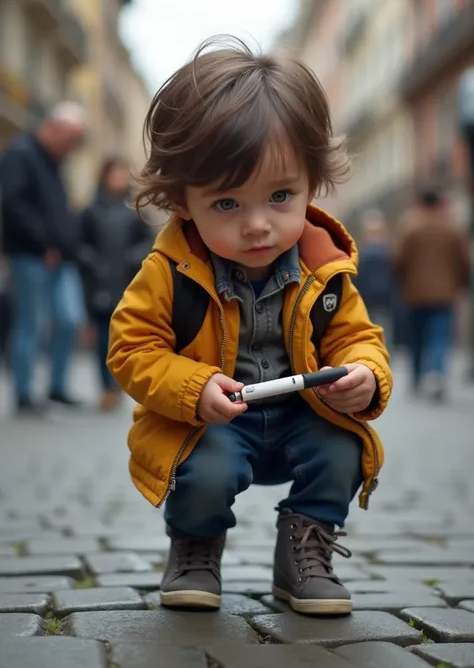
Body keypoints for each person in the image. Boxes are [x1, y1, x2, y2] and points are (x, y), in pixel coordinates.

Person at [107, 37, 392, 616]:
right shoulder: (170, 271)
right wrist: (192, 388)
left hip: (301, 416)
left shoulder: (324, 268)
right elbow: (132, 347)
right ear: (183, 202)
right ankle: (194, 544)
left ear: (312, 183)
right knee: (206, 471)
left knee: (343, 450)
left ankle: (305, 552)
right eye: (227, 205)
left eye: (280, 196)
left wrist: (365, 374)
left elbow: (358, 336)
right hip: (211, 422)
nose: (259, 225)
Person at [0, 102, 87, 414]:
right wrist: (42, 244)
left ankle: (56, 388)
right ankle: (23, 394)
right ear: (54, 128)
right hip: (31, 256)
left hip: (62, 257)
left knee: (68, 321)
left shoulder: (54, 161)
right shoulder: (21, 154)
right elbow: (12, 205)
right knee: (30, 323)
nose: (74, 146)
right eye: (72, 137)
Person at [78, 156, 152, 411]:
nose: (118, 180)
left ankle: (118, 385)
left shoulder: (136, 211)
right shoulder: (91, 210)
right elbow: (80, 244)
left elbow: (148, 243)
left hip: (127, 283)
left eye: (122, 175)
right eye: (114, 174)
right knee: (102, 337)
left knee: (123, 333)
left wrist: (132, 259)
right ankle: (105, 387)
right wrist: (92, 262)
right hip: (98, 284)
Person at [394, 189, 470, 401]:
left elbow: (398, 259)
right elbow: (463, 261)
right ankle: (436, 374)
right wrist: (457, 282)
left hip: (414, 293)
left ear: (420, 203)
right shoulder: (451, 228)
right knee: (439, 335)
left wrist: (404, 281)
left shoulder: (410, 227)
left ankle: (417, 377)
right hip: (445, 293)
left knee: (416, 337)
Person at [353, 210, 394, 349]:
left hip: (368, 298)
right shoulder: (389, 253)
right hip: (385, 298)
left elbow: (357, 278)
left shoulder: (362, 255)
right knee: (384, 328)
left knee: (371, 328)